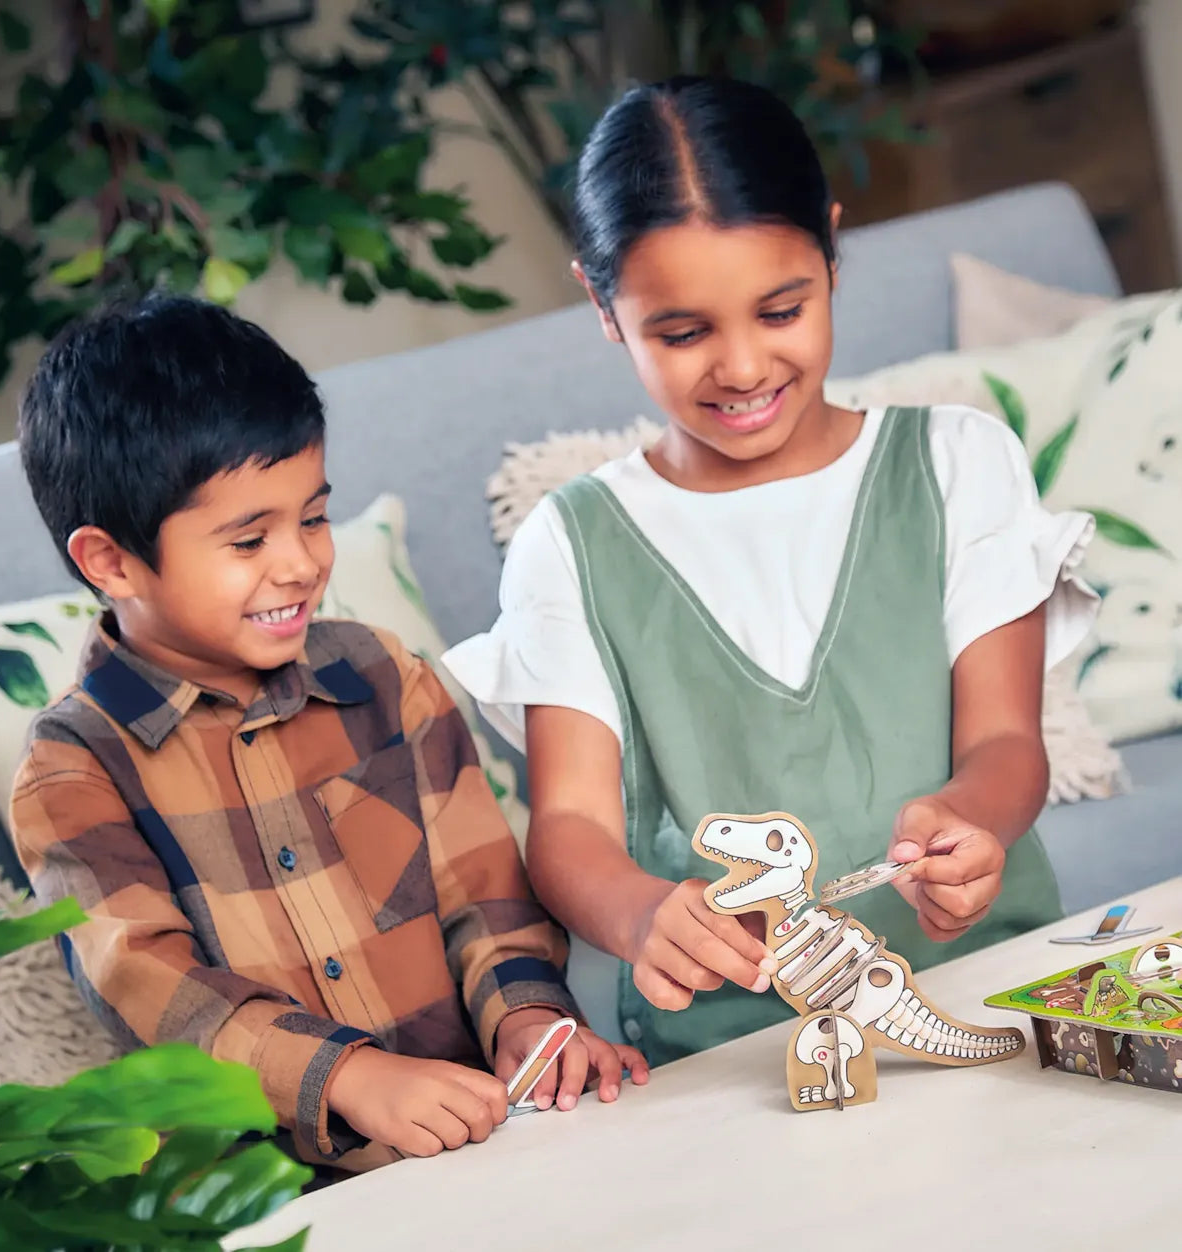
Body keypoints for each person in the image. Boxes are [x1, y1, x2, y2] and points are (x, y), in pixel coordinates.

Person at [443, 76, 1098, 1067]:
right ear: (601, 303)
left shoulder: (958, 464)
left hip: (983, 979)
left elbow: (1006, 739)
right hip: (727, 1053)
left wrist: (974, 819)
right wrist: (635, 913)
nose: (742, 366)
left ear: (831, 253)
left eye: (779, 309)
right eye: (683, 331)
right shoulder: (570, 542)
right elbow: (570, 822)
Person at [9, 293, 646, 1175]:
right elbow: (154, 989)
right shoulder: (74, 771)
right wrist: (350, 1076)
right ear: (111, 561)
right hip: (278, 1198)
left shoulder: (385, 679)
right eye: (248, 539)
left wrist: (529, 1019)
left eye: (311, 516)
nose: (302, 562)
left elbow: (484, 894)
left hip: (492, 1142)